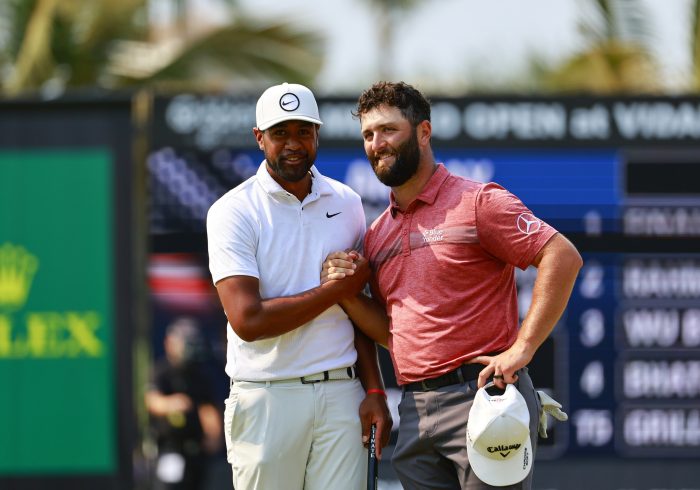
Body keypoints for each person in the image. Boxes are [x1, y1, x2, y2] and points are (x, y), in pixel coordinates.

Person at [321, 81, 583, 489]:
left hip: (483, 399)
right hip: (415, 411)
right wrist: (346, 294)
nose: (377, 144)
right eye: (368, 135)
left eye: (389, 130)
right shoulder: (376, 234)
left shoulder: (478, 202)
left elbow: (562, 256)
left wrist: (523, 349)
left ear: (424, 132)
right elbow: (394, 333)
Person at [206, 82, 392, 490]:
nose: (293, 143)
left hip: (342, 392)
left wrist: (374, 387)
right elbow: (248, 321)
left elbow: (357, 309)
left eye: (303, 132)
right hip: (266, 395)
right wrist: (335, 290)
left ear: (317, 134)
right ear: (259, 139)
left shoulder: (346, 202)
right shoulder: (232, 212)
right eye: (280, 133)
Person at [145, 317, 223, 490]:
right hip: (170, 447)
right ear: (169, 343)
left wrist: (213, 435)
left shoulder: (201, 375)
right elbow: (152, 400)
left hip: (196, 450)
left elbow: (208, 407)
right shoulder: (162, 371)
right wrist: (171, 404)